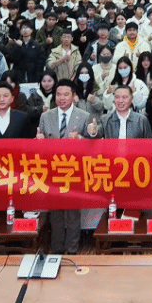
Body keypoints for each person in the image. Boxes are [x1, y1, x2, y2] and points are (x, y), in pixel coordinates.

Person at [36, 79, 98, 255]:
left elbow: (93, 144)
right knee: (55, 214)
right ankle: (57, 250)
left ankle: (72, 250)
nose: (61, 98)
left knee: (72, 213)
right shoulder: (46, 116)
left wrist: (80, 139)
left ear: (73, 96)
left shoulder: (84, 115)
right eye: (58, 94)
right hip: (52, 170)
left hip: (74, 170)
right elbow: (39, 142)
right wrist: (38, 141)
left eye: (66, 94)